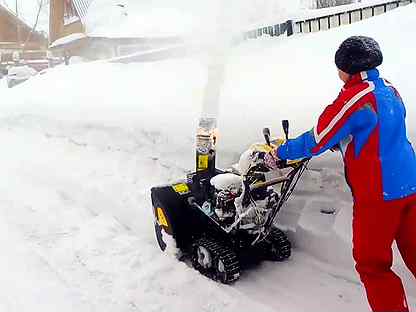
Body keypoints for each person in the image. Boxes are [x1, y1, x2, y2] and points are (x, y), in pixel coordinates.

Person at [266, 36, 416, 312]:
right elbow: (378, 129)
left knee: (372, 264)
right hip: (409, 184)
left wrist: (280, 153)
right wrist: (345, 140)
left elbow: (316, 138)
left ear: (347, 67)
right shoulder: (389, 89)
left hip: (379, 194)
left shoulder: (354, 97)